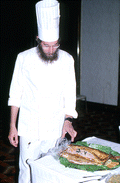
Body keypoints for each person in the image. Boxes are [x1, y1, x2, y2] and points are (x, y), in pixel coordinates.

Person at [8, 0, 78, 182]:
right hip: (29, 127)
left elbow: (70, 94)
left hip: (54, 127)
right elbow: (16, 94)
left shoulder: (67, 60)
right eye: (46, 45)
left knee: (50, 171)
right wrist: (12, 126)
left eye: (55, 45)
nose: (51, 50)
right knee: (27, 171)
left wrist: (68, 121)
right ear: (38, 40)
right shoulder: (23, 58)